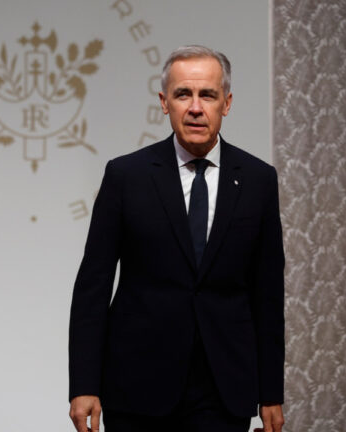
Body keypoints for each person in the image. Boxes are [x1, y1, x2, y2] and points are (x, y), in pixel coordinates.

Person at [68, 45, 285, 432]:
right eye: (184, 94)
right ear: (164, 102)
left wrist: (271, 392)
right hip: (136, 386)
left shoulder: (258, 180)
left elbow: (267, 293)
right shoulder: (126, 176)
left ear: (227, 103)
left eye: (208, 95)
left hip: (224, 390)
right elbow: (93, 287)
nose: (196, 108)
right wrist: (84, 385)